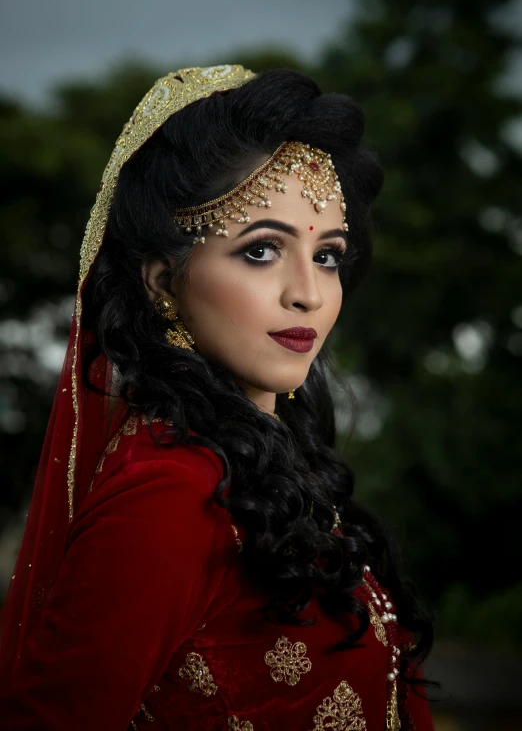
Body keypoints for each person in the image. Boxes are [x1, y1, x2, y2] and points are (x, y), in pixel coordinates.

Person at [0, 64, 435, 730]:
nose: (309, 293)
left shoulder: (275, 469)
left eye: (328, 255)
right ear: (161, 282)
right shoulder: (169, 493)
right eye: (262, 251)